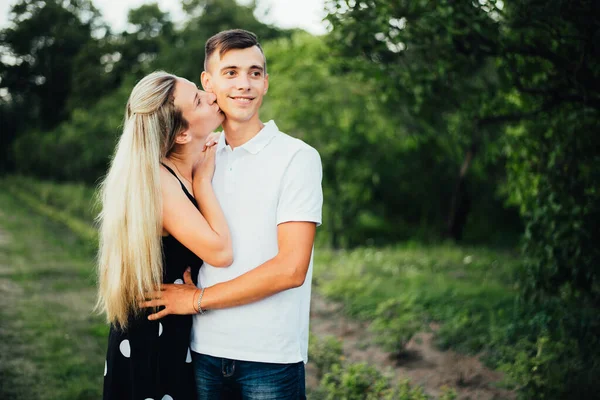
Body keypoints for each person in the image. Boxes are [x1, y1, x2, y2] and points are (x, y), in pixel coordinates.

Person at [141, 29, 323, 399]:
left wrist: (194, 299)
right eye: (231, 72)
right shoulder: (195, 158)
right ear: (207, 83)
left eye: (255, 73)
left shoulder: (297, 157)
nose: (245, 84)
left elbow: (291, 268)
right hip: (202, 349)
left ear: (266, 83)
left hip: (270, 355)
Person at [96, 70, 233, 400]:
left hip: (173, 326)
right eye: (198, 100)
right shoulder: (159, 182)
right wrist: (202, 183)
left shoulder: (174, 169)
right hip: (154, 337)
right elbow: (220, 252)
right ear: (183, 134)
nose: (212, 95)